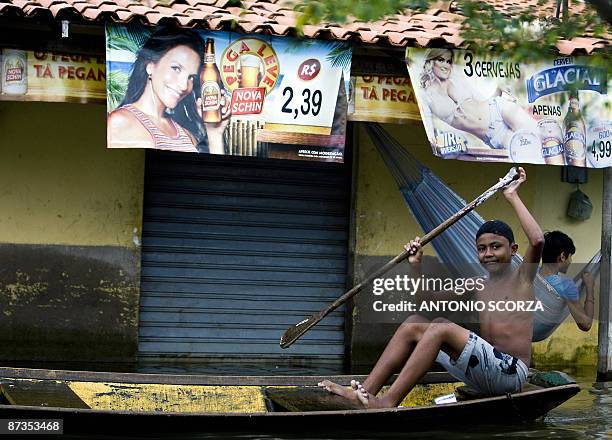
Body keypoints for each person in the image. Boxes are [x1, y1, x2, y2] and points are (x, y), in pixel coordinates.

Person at [319, 167, 544, 408]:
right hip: (481, 372)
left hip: (511, 374)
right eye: (482, 248)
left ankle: (388, 401)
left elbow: (538, 240)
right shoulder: (478, 284)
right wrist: (416, 266)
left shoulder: (523, 279)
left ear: (513, 250)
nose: (488, 253)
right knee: (414, 323)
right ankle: (364, 390)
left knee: (440, 327)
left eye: (496, 246)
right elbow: (424, 302)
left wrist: (511, 195)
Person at [107, 28, 229, 154]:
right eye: (176, 68)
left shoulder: (187, 135)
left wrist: (214, 133)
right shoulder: (120, 122)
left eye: (191, 77)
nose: (183, 86)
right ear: (150, 65)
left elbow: (212, 172)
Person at [419, 48, 539, 154]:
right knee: (531, 152)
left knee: (541, 137)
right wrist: (432, 139)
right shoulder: (424, 95)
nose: (445, 65)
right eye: (441, 60)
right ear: (431, 61)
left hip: (498, 108)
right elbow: (428, 125)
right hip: (492, 134)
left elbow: (483, 100)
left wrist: (498, 88)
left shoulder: (457, 79)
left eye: (449, 61)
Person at [534, 230, 595, 341]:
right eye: (570, 256)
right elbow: (586, 325)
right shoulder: (565, 286)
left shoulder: (531, 273)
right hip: (531, 335)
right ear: (562, 256)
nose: (571, 261)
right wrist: (590, 288)